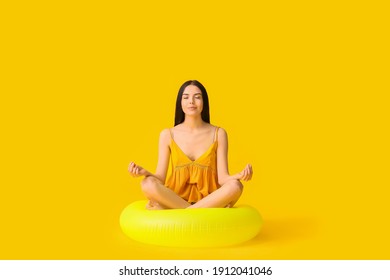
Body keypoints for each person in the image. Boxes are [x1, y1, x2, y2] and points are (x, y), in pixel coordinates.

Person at [128, 80, 253, 210]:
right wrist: (145, 172)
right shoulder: (167, 135)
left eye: (197, 97)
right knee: (147, 183)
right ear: (180, 102)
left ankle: (180, 211)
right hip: (176, 198)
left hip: (209, 199)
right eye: (186, 97)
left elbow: (223, 179)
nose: (191, 101)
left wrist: (238, 176)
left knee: (235, 186)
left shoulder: (219, 133)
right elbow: (160, 179)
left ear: (204, 102)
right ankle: (194, 211)